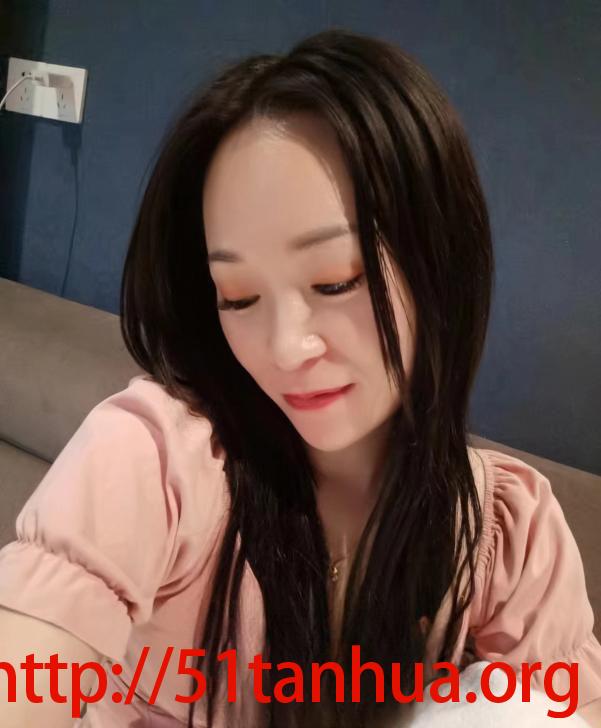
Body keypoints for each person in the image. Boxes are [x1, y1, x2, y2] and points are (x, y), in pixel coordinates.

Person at [0, 28, 600, 728]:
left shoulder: (508, 536)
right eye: (238, 297)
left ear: (441, 264)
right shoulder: (159, 461)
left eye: (336, 281)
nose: (284, 349)